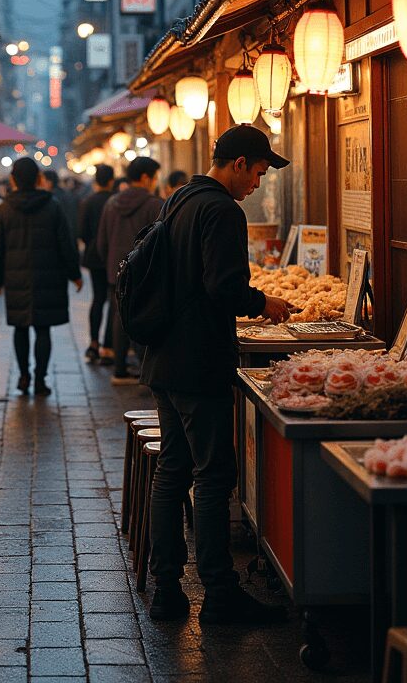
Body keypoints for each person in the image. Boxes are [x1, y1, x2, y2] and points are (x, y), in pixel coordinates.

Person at [144, 125, 291, 625]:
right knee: (212, 476)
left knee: (173, 470)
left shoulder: (179, 199)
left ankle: (166, 589)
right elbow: (223, 288)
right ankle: (220, 594)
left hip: (165, 357)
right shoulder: (223, 210)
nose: (258, 183)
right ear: (239, 164)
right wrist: (263, 302)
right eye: (259, 172)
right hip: (200, 359)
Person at [0, 157, 82, 397]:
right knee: (43, 329)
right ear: (39, 179)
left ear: (12, 180)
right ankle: (40, 379)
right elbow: (66, 244)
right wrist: (75, 274)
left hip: (16, 279)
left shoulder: (4, 208)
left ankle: (23, 376)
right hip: (48, 277)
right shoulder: (53, 205)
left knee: (20, 329)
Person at [97, 155, 164, 383]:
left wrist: (111, 264)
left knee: (119, 317)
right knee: (145, 316)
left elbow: (102, 242)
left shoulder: (111, 203)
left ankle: (119, 369)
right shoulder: (155, 205)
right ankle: (147, 370)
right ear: (145, 178)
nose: (155, 181)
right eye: (155, 177)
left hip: (117, 270)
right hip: (145, 274)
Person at [77, 164, 115, 364]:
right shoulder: (114, 200)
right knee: (114, 300)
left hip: (94, 257)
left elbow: (81, 231)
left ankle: (93, 343)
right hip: (113, 256)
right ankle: (109, 344)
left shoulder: (88, 202)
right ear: (111, 181)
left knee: (98, 299)